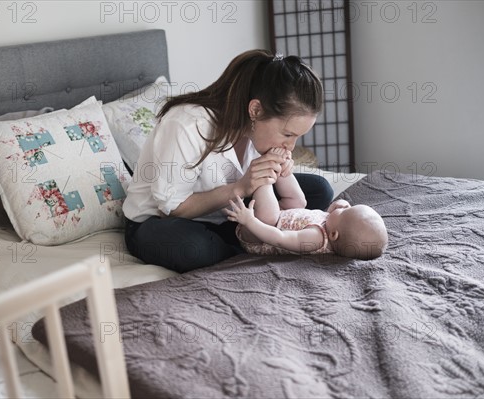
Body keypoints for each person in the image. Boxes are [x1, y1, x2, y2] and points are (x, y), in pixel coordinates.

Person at [122, 50, 334, 272]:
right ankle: (255, 244)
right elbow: (172, 209)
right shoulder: (186, 125)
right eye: (287, 135)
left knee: (319, 190)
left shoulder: (252, 127)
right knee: (195, 248)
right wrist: (241, 187)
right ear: (256, 110)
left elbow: (276, 190)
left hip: (227, 214)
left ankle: (254, 237)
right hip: (160, 221)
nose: (291, 146)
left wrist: (281, 173)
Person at [224, 156, 388, 260]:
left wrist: (250, 221)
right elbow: (322, 217)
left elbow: (279, 238)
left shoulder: (314, 239)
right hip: (283, 216)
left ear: (333, 234)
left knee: (269, 216)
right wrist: (335, 210)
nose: (345, 205)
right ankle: (281, 169)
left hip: (260, 234)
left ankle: (264, 179)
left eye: (345, 211)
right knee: (299, 201)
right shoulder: (333, 228)